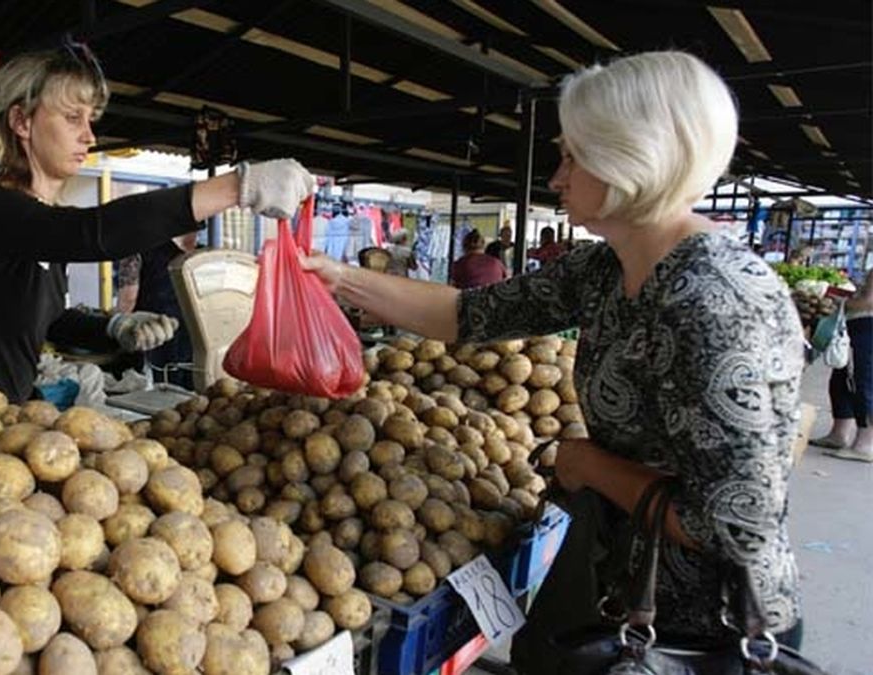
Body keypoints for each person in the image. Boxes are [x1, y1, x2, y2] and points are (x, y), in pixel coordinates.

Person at [302, 51, 803, 668]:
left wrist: (590, 463)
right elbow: (466, 316)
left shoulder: (718, 301)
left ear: (630, 158)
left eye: (572, 156)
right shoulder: (603, 270)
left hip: (704, 634)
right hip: (623, 593)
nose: (557, 178)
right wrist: (338, 278)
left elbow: (734, 525)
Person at [0, 43, 313, 418]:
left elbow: (46, 321)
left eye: (90, 119)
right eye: (72, 118)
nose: (89, 135)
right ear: (21, 121)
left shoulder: (40, 222)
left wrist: (113, 328)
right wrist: (236, 186)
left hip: (7, 421)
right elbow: (94, 232)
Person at [115, 232, 200, 389]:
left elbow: (127, 301)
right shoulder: (202, 253)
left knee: (159, 396)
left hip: (156, 334)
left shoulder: (136, 248)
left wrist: (115, 329)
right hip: (194, 337)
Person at [813, 270, 873, 462]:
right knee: (842, 381)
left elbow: (869, 301)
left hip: (867, 328)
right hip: (860, 326)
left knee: (861, 384)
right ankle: (839, 434)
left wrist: (841, 303)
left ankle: (865, 444)